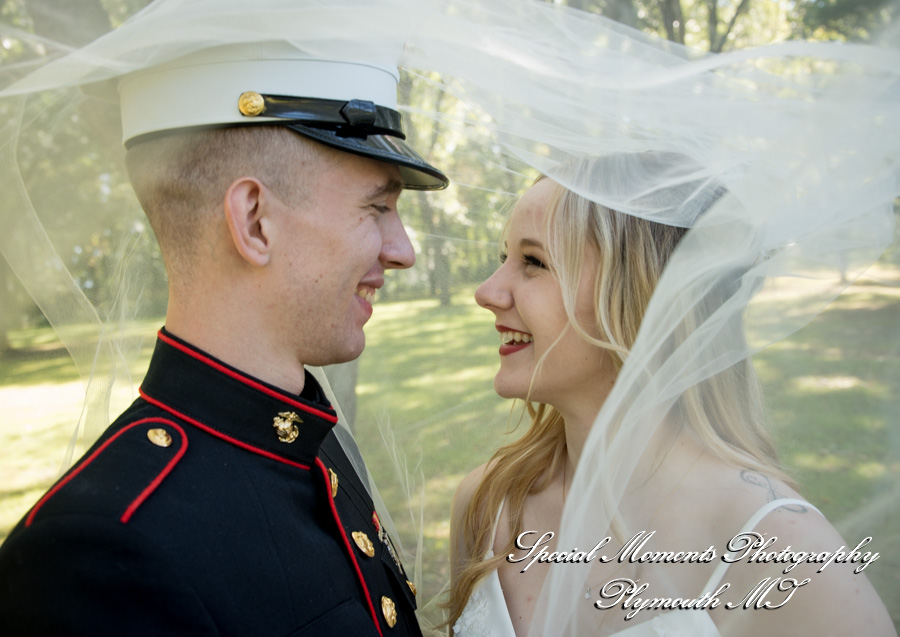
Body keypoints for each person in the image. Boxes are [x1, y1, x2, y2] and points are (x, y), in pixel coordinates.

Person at [0, 25, 447, 637]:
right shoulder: (99, 553)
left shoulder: (311, 444)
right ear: (255, 221)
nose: (403, 251)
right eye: (377, 207)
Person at [448, 163, 897, 636]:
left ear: (642, 296)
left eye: (534, 262)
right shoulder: (487, 505)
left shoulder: (781, 546)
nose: (487, 291)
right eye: (503, 258)